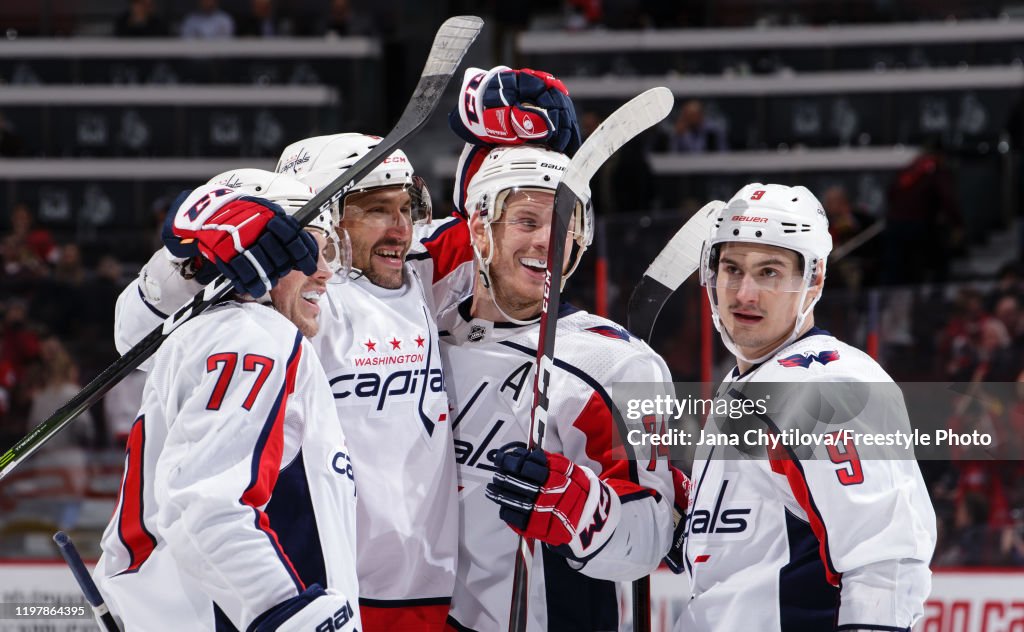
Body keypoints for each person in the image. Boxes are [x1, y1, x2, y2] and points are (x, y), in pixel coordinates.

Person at [113, 135, 458, 632]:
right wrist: (201, 250)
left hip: (395, 585)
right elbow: (135, 335)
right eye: (377, 209)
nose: (401, 228)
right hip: (286, 590)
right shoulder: (263, 319)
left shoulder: (416, 276)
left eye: (406, 208)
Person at [410, 65, 675, 630]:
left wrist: (583, 508)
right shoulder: (415, 328)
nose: (546, 241)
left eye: (561, 222)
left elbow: (652, 536)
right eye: (526, 219)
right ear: (478, 230)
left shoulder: (614, 363)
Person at [94, 169, 361, 631]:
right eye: (308, 248)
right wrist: (278, 608)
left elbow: (133, 331)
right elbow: (206, 502)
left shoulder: (207, 334)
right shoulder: (255, 335)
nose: (326, 270)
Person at [668, 183, 936, 630]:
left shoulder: (826, 385)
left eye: (769, 272)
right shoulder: (745, 384)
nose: (744, 293)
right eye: (732, 269)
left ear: (814, 279)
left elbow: (886, 562)